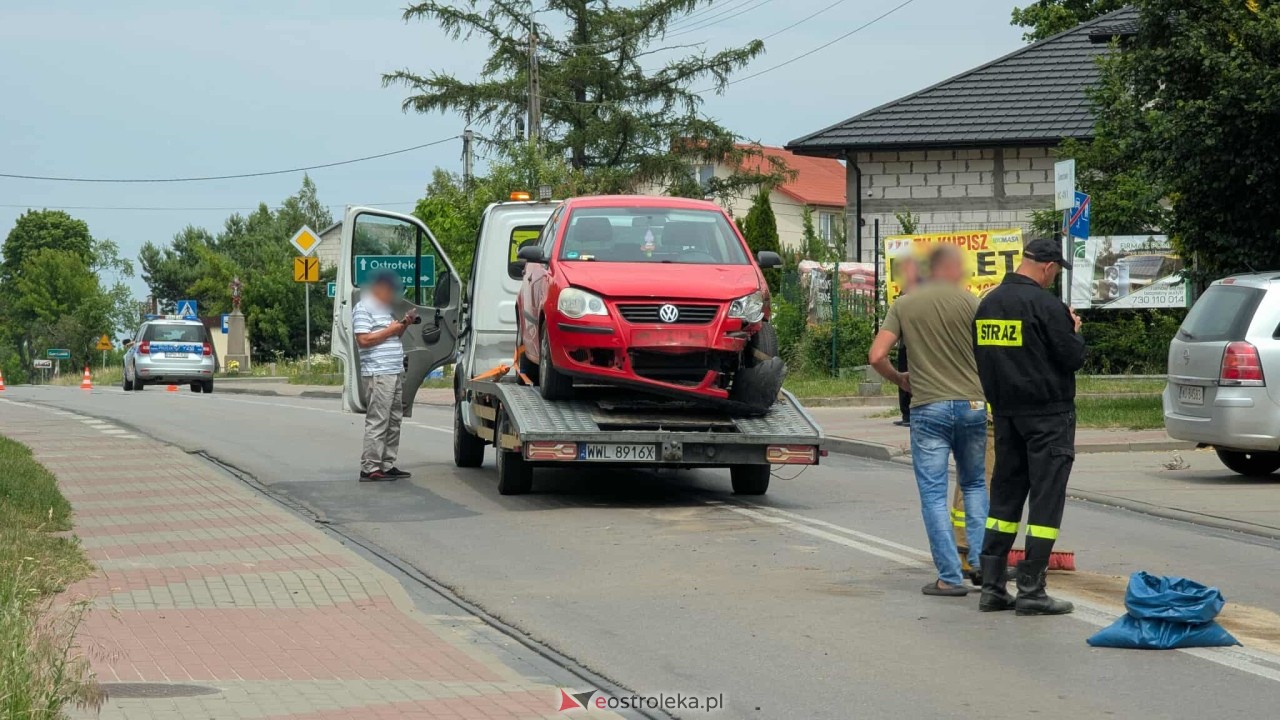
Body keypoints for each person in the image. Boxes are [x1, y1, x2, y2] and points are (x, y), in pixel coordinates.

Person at [973, 238, 1085, 616]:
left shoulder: (988, 304)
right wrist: (1074, 329)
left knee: (1003, 500)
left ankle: (992, 588)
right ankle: (1032, 590)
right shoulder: (1047, 306)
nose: (1053, 279)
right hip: (1048, 417)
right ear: (1048, 267)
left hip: (1006, 415)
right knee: (1045, 501)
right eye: (1055, 272)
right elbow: (1072, 357)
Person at [870, 244, 988, 597]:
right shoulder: (972, 303)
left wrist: (899, 378)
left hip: (929, 407)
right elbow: (990, 350)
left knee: (934, 495)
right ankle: (982, 565)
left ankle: (949, 577)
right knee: (974, 485)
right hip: (972, 404)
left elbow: (876, 355)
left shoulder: (905, 304)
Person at [353, 270, 416, 482]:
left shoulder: (383, 309)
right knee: (379, 419)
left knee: (394, 419)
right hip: (378, 372)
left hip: (393, 370)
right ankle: (370, 467)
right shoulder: (363, 308)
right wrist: (390, 330)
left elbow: (394, 334)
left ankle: (386, 464)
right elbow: (363, 340)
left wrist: (404, 323)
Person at [892, 255, 920, 427]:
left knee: (914, 377)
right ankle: (905, 414)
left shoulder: (923, 292)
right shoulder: (904, 291)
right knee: (902, 376)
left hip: (917, 345)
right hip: (904, 343)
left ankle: (913, 415)